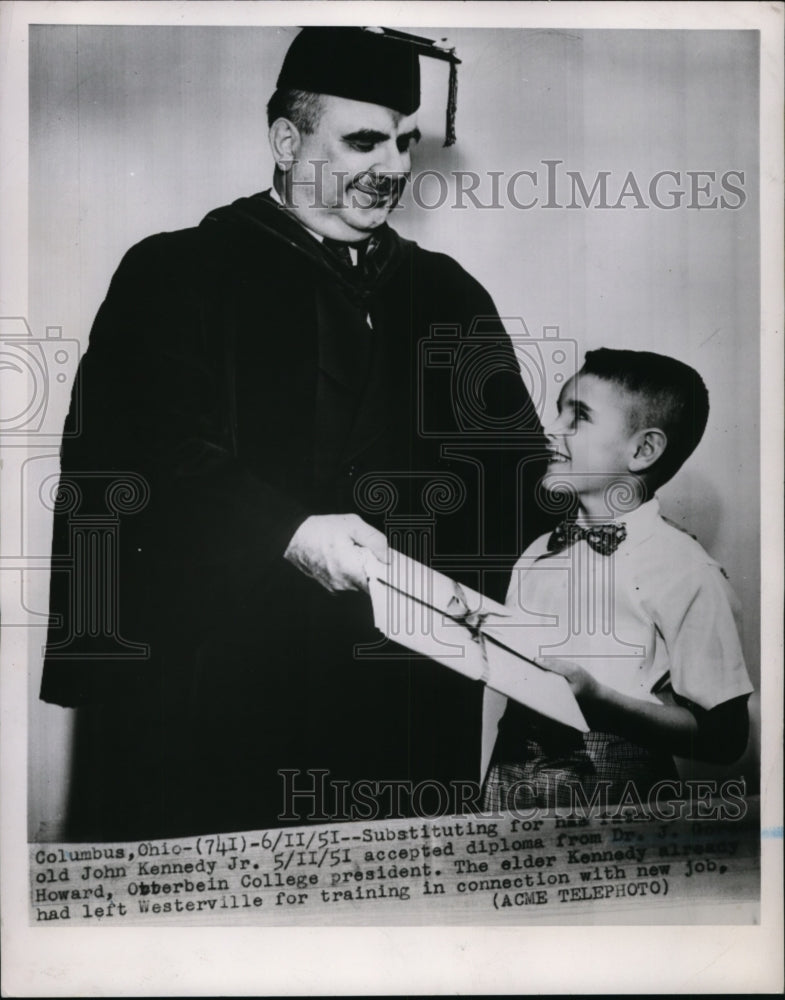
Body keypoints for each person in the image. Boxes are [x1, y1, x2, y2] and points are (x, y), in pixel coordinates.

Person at [40, 27, 550, 839]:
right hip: (222, 681)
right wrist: (287, 530)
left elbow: (509, 464)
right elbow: (138, 453)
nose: (392, 167)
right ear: (286, 140)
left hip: (400, 692)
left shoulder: (444, 293)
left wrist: (588, 513)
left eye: (404, 143)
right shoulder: (179, 274)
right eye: (363, 141)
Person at [482, 348, 753, 811]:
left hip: (618, 804)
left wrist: (601, 702)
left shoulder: (687, 571)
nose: (551, 428)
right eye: (559, 411)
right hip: (508, 794)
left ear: (643, 451)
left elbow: (724, 738)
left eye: (579, 416)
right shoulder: (537, 553)